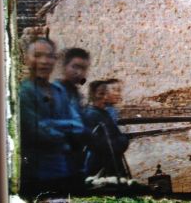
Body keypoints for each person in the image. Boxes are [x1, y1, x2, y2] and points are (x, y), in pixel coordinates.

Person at [19, 37, 85, 196]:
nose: (44, 61)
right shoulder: (23, 93)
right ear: (26, 59)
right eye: (37, 55)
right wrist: (65, 129)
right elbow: (37, 131)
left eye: (49, 56)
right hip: (37, 174)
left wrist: (50, 124)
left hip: (65, 171)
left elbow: (79, 126)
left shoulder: (59, 91)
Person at [53, 47, 91, 179]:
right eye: (75, 67)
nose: (79, 72)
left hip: (76, 159)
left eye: (83, 68)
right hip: (59, 160)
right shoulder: (55, 92)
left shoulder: (77, 95)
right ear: (64, 67)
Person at [82, 80, 130, 179]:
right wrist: (123, 140)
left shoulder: (104, 113)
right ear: (93, 95)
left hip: (110, 162)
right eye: (101, 94)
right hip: (101, 165)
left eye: (106, 93)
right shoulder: (93, 114)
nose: (104, 97)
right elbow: (105, 143)